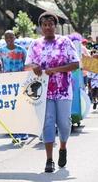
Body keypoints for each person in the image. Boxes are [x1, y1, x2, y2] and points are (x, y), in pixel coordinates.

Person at [24, 12, 79, 173]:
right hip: (43, 92)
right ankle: (49, 159)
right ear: (41, 27)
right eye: (44, 25)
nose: (48, 27)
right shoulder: (35, 44)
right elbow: (27, 66)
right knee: (47, 123)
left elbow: (75, 64)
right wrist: (33, 67)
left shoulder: (65, 42)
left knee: (64, 123)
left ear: (55, 26)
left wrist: (55, 70)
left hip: (63, 90)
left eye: (51, 24)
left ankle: (63, 146)